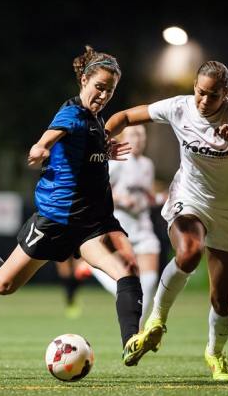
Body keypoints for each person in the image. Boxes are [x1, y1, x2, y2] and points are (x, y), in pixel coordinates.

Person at [0, 45, 147, 366]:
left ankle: (131, 341)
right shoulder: (71, 113)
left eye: (110, 91)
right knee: (3, 284)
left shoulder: (97, 122)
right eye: (99, 87)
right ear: (84, 80)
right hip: (56, 221)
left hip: (95, 224)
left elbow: (86, 149)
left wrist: (104, 149)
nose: (103, 95)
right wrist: (39, 148)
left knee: (128, 269)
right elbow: (50, 137)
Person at [105, 60, 228, 380]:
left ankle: (215, 353)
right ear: (194, 87)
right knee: (189, 251)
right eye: (200, 93)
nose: (204, 101)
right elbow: (126, 116)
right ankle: (155, 321)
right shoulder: (180, 107)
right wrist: (101, 136)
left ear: (226, 93)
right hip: (189, 198)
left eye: (213, 95)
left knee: (222, 299)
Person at [87, 125, 163, 331]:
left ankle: (136, 331)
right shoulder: (117, 164)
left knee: (149, 281)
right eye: (133, 134)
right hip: (120, 227)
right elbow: (97, 192)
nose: (138, 139)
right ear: (123, 138)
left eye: (141, 134)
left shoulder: (147, 164)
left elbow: (145, 196)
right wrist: (120, 199)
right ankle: (93, 268)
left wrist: (159, 198)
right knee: (129, 282)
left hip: (143, 227)